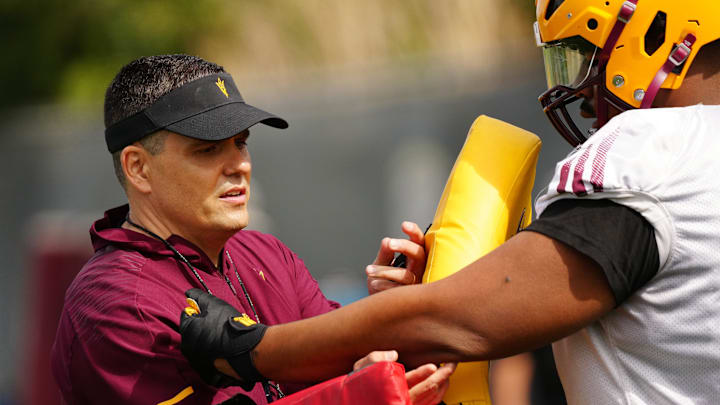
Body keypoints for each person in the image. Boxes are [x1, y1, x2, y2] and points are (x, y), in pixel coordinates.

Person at [178, 1, 720, 403]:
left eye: (582, 55)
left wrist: (253, 349)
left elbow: (461, 321)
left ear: (655, 36)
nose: (579, 85)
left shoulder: (655, 150)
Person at [50, 54, 452, 405]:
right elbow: (355, 391)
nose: (238, 165)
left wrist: (383, 323)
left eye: (240, 143)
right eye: (207, 149)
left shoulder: (266, 254)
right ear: (138, 167)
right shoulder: (113, 302)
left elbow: (352, 371)